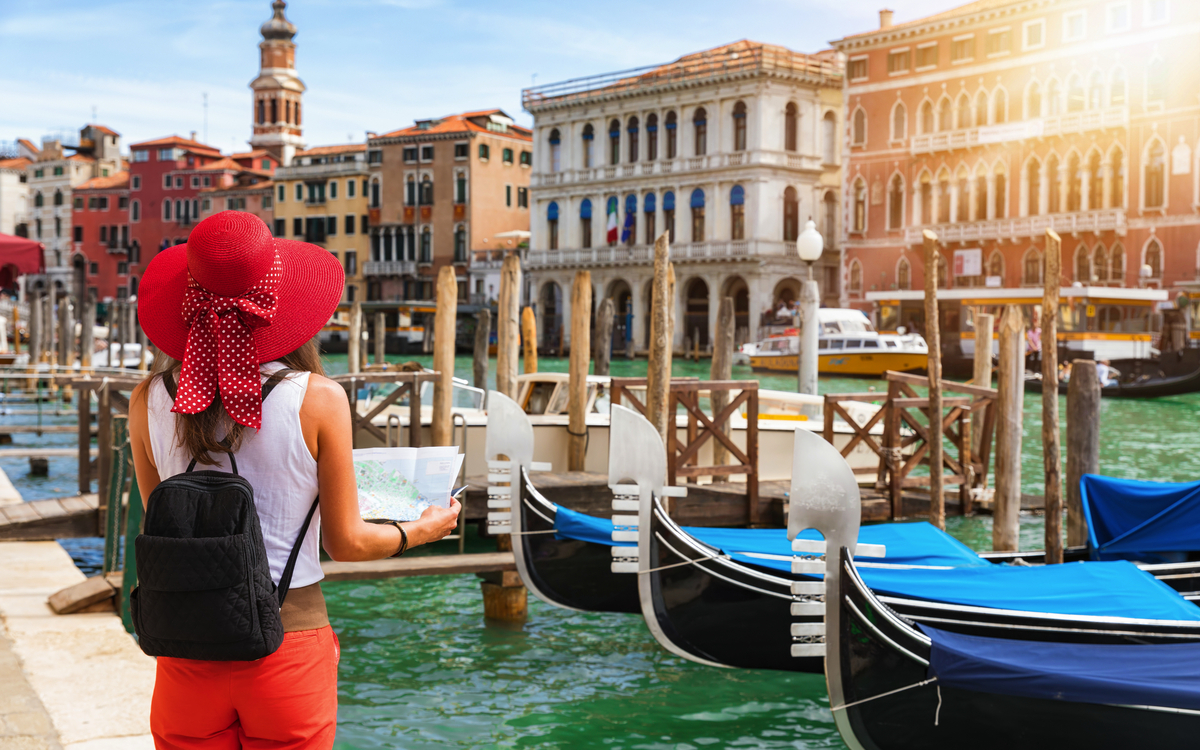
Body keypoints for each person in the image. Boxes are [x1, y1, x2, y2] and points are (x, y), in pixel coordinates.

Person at [129, 212, 460, 749]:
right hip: (288, 643)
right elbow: (346, 543)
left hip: (184, 650)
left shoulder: (146, 400)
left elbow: (161, 527)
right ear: (281, 307)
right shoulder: (319, 398)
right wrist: (422, 528)